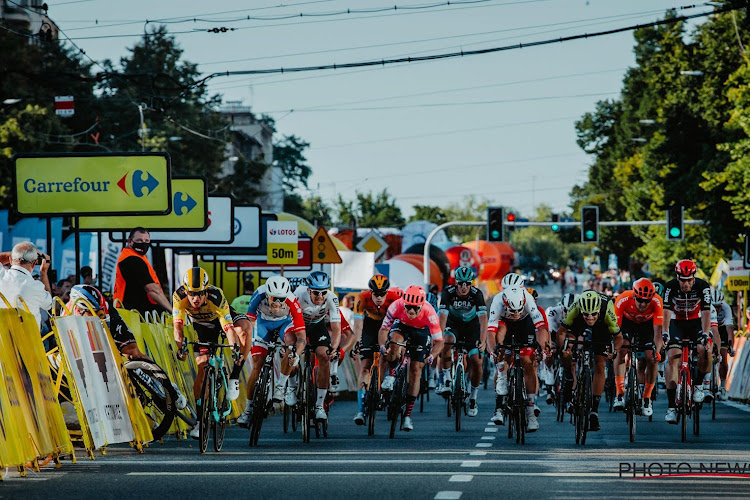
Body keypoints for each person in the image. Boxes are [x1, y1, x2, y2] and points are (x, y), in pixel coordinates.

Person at [173, 267, 252, 439]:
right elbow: (177, 328)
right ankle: (200, 421)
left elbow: (229, 329)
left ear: (207, 291)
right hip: (202, 326)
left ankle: (234, 376)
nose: (195, 298)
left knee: (245, 329)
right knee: (202, 368)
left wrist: (234, 350)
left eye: (200, 293)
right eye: (192, 294)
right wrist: (181, 349)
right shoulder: (178, 297)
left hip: (222, 318)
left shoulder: (216, 297)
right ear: (185, 291)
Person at [237, 275, 307, 426]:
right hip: (263, 325)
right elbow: (249, 324)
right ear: (267, 295)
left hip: (284, 325)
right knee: (257, 366)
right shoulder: (259, 295)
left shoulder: (292, 301)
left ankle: (281, 386)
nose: (278, 303)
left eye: (281, 299)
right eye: (274, 298)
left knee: (291, 343)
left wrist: (296, 353)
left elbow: (302, 337)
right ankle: (248, 410)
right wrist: (246, 344)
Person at [379, 285, 444, 432]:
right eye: (408, 307)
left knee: (416, 369)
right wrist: (383, 346)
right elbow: (383, 330)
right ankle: (391, 374)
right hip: (401, 326)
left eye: (415, 308)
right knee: (394, 340)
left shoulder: (430, 312)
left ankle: (407, 415)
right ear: (404, 303)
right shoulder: (396, 306)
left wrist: (432, 355)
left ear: (422, 306)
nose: (411, 311)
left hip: (421, 332)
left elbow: (439, 341)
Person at [557, 290, 622, 432]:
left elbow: (618, 337)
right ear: (581, 310)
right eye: (586, 314)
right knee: (568, 348)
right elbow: (562, 332)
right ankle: (569, 375)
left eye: (593, 314)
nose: (590, 317)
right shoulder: (576, 308)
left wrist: (614, 351)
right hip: (578, 326)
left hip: (602, 329)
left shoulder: (607, 310)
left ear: (598, 310)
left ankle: (594, 411)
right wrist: (564, 350)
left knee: (600, 364)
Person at [487, 285, 549, 432]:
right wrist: (494, 351)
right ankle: (499, 406)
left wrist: (541, 348)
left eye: (518, 310)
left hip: (525, 325)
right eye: (512, 310)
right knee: (502, 349)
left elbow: (541, 329)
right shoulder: (497, 302)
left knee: (528, 362)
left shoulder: (528, 301)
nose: (515, 313)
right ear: (505, 303)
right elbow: (490, 333)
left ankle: (530, 411)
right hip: (505, 324)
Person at [661, 259, 715, 424]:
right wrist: (664, 332)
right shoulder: (670, 287)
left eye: (689, 280)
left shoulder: (703, 286)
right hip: (676, 324)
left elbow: (706, 312)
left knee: (705, 349)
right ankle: (671, 407)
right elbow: (666, 312)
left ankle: (698, 384)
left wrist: (705, 334)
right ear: (677, 277)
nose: (685, 284)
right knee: (672, 356)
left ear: (694, 277)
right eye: (682, 280)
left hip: (696, 323)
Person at [437, 266, 488, 418]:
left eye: (467, 284)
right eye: (461, 284)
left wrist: (483, 341)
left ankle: (473, 398)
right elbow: (443, 318)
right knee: (446, 341)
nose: (464, 287)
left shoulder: (477, 294)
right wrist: (439, 338)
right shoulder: (448, 293)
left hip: (472, 327)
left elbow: (483, 319)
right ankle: (446, 379)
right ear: (456, 283)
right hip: (454, 325)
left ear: (471, 284)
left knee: (476, 360)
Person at [351, 274, 402, 425]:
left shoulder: (395, 299)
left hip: (388, 326)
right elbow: (358, 325)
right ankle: (361, 411)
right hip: (369, 327)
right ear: (370, 292)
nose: (379, 297)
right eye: (376, 294)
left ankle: (385, 383)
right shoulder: (361, 298)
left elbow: (400, 325)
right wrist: (358, 342)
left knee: (385, 357)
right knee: (365, 367)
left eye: (382, 294)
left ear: (387, 292)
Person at [612, 278, 663, 417]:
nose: (643, 304)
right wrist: (614, 347)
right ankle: (620, 393)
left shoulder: (657, 301)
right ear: (634, 295)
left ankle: (646, 398)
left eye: (647, 301)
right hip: (627, 323)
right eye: (640, 300)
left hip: (647, 326)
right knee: (621, 351)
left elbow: (658, 332)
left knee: (651, 358)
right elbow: (615, 330)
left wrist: (657, 352)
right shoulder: (623, 299)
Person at [294, 271, 341, 422]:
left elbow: (336, 328)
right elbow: (288, 321)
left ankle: (320, 405)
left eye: (323, 292)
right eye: (316, 292)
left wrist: (333, 348)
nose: (320, 296)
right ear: (309, 290)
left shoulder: (332, 298)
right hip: (299, 325)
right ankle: (291, 386)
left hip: (317, 327)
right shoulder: (299, 294)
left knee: (324, 355)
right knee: (290, 353)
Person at [67, 284, 148, 359]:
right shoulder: (66, 314)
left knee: (133, 353)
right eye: (92, 313)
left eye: (99, 313)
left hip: (110, 321)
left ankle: (155, 373)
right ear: (78, 311)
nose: (97, 317)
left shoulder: (105, 310)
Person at [113, 227, 172, 316]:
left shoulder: (137, 257)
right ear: (130, 241)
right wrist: (173, 311)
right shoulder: (131, 259)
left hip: (131, 313)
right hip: (132, 314)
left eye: (146, 241)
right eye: (139, 240)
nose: (143, 243)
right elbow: (152, 289)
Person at [0, 242, 53, 330]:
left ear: (10, 259)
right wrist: (43, 273)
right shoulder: (36, 287)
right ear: (34, 263)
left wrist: (15, 255)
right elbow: (49, 304)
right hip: (27, 341)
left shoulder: (1, 275)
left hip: (2, 340)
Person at [709, 288, 735, 401]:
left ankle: (723, 386)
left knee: (723, 357)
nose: (716, 309)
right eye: (714, 306)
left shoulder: (726, 308)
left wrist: (731, 346)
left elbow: (730, 329)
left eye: (718, 306)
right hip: (709, 328)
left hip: (722, 329)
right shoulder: (706, 308)